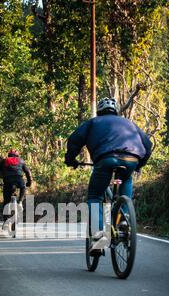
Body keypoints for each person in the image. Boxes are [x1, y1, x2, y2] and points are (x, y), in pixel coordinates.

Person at [65, 97, 152, 240]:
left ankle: (98, 235)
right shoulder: (129, 123)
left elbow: (74, 140)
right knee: (126, 178)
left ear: (99, 112)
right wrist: (139, 165)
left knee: (94, 196)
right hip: (131, 158)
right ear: (116, 111)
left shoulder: (93, 122)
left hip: (105, 159)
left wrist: (70, 160)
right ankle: (124, 218)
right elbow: (147, 145)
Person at [0, 149, 32, 221]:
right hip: (19, 180)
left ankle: (6, 221)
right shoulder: (21, 160)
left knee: (6, 202)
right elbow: (28, 172)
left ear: (9, 155)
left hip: (8, 181)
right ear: (17, 155)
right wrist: (29, 182)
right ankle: (20, 202)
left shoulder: (3, 161)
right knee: (23, 187)